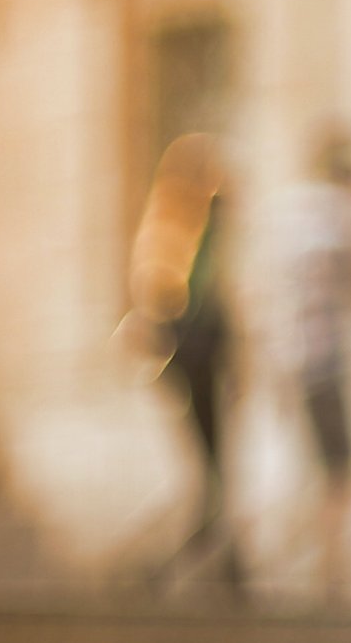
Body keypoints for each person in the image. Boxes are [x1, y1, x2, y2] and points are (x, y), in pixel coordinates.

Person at [129, 132, 240, 590]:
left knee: (215, 464)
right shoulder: (171, 229)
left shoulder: (208, 229)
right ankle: (192, 560)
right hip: (189, 357)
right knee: (205, 464)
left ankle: (228, 562)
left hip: (208, 357)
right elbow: (159, 295)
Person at [276, 123, 351, 594]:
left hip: (294, 360)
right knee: (339, 471)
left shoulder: (293, 214)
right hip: (324, 362)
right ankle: (329, 574)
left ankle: (319, 567)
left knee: (320, 468)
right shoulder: (334, 216)